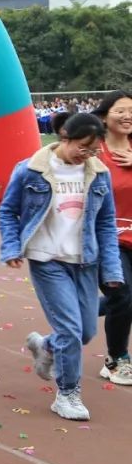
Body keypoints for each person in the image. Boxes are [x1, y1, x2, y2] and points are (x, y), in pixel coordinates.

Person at [0, 112, 122, 421]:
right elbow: (8, 210)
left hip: (85, 262)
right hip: (47, 259)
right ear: (65, 137)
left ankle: (47, 346)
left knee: (86, 331)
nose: (87, 154)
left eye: (94, 149)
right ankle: (67, 394)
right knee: (70, 329)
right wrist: (12, 247)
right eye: (83, 147)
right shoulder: (30, 170)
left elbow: (106, 223)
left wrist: (112, 269)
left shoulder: (99, 174)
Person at [94, 90, 132, 385]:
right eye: (120, 110)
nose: (127, 116)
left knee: (124, 300)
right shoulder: (94, 152)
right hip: (108, 240)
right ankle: (116, 359)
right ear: (105, 117)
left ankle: (75, 316)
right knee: (123, 295)